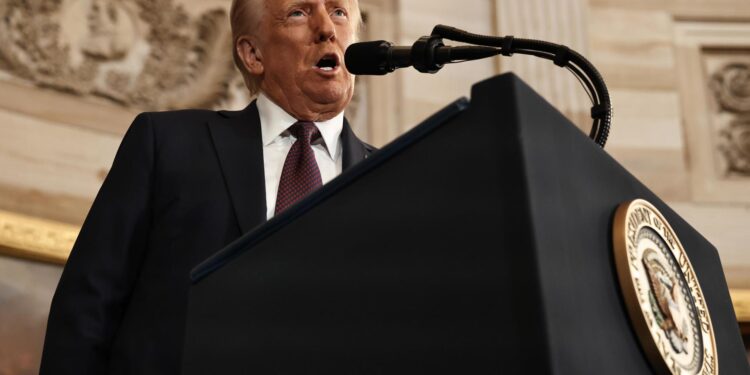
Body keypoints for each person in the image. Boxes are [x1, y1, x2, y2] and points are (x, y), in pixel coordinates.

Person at [39, 0, 373, 373]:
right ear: (252, 54)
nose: (327, 28)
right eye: (299, 12)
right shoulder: (168, 144)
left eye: (339, 12)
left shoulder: (392, 183)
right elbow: (87, 309)